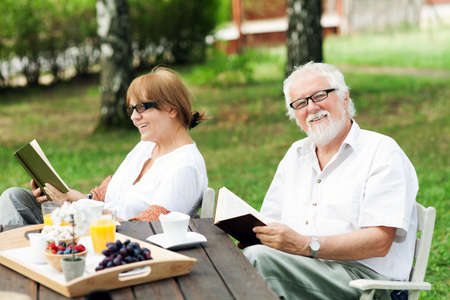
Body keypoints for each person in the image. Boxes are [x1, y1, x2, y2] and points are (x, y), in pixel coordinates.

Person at [243, 62, 418, 299]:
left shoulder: (382, 151)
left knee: (256, 260)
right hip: (303, 269)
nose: (312, 108)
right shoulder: (295, 155)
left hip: (368, 284)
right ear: (294, 114)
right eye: (301, 103)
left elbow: (379, 241)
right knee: (238, 257)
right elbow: (270, 221)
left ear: (345, 97)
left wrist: (305, 245)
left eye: (319, 96)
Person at [0, 66, 208, 224]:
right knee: (14, 198)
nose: (135, 117)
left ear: (172, 109)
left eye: (142, 107)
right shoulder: (146, 147)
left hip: (115, 242)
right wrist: (65, 196)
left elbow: (146, 229)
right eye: (132, 109)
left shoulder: (184, 167)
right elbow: (103, 199)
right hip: (90, 227)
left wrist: (72, 208)